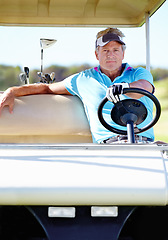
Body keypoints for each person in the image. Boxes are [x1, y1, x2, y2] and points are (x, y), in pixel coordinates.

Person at [0, 27, 155, 144]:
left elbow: (143, 88)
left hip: (144, 142)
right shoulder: (84, 78)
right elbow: (47, 88)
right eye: (105, 50)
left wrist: (125, 87)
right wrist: (13, 91)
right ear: (97, 54)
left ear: (123, 53)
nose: (110, 55)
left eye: (115, 50)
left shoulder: (138, 74)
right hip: (109, 145)